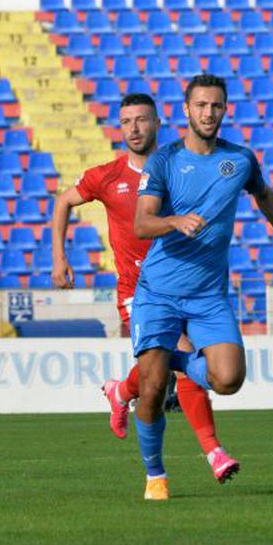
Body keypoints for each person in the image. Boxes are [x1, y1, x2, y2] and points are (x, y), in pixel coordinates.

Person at [130, 74, 273, 501]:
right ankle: (155, 474)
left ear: (225, 109)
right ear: (186, 110)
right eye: (201, 105)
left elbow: (264, 195)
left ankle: (169, 359)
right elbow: (141, 223)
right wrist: (174, 221)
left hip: (208, 295)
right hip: (159, 291)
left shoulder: (240, 160)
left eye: (216, 106)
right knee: (151, 390)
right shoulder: (164, 161)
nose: (208, 113)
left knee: (228, 379)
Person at [50, 92, 240, 484]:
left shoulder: (177, 167)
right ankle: (212, 452)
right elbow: (64, 201)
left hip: (184, 285)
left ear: (157, 123)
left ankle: (122, 391)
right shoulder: (107, 176)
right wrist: (59, 257)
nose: (134, 129)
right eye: (126, 122)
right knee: (180, 357)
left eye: (141, 120)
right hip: (137, 290)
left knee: (160, 372)